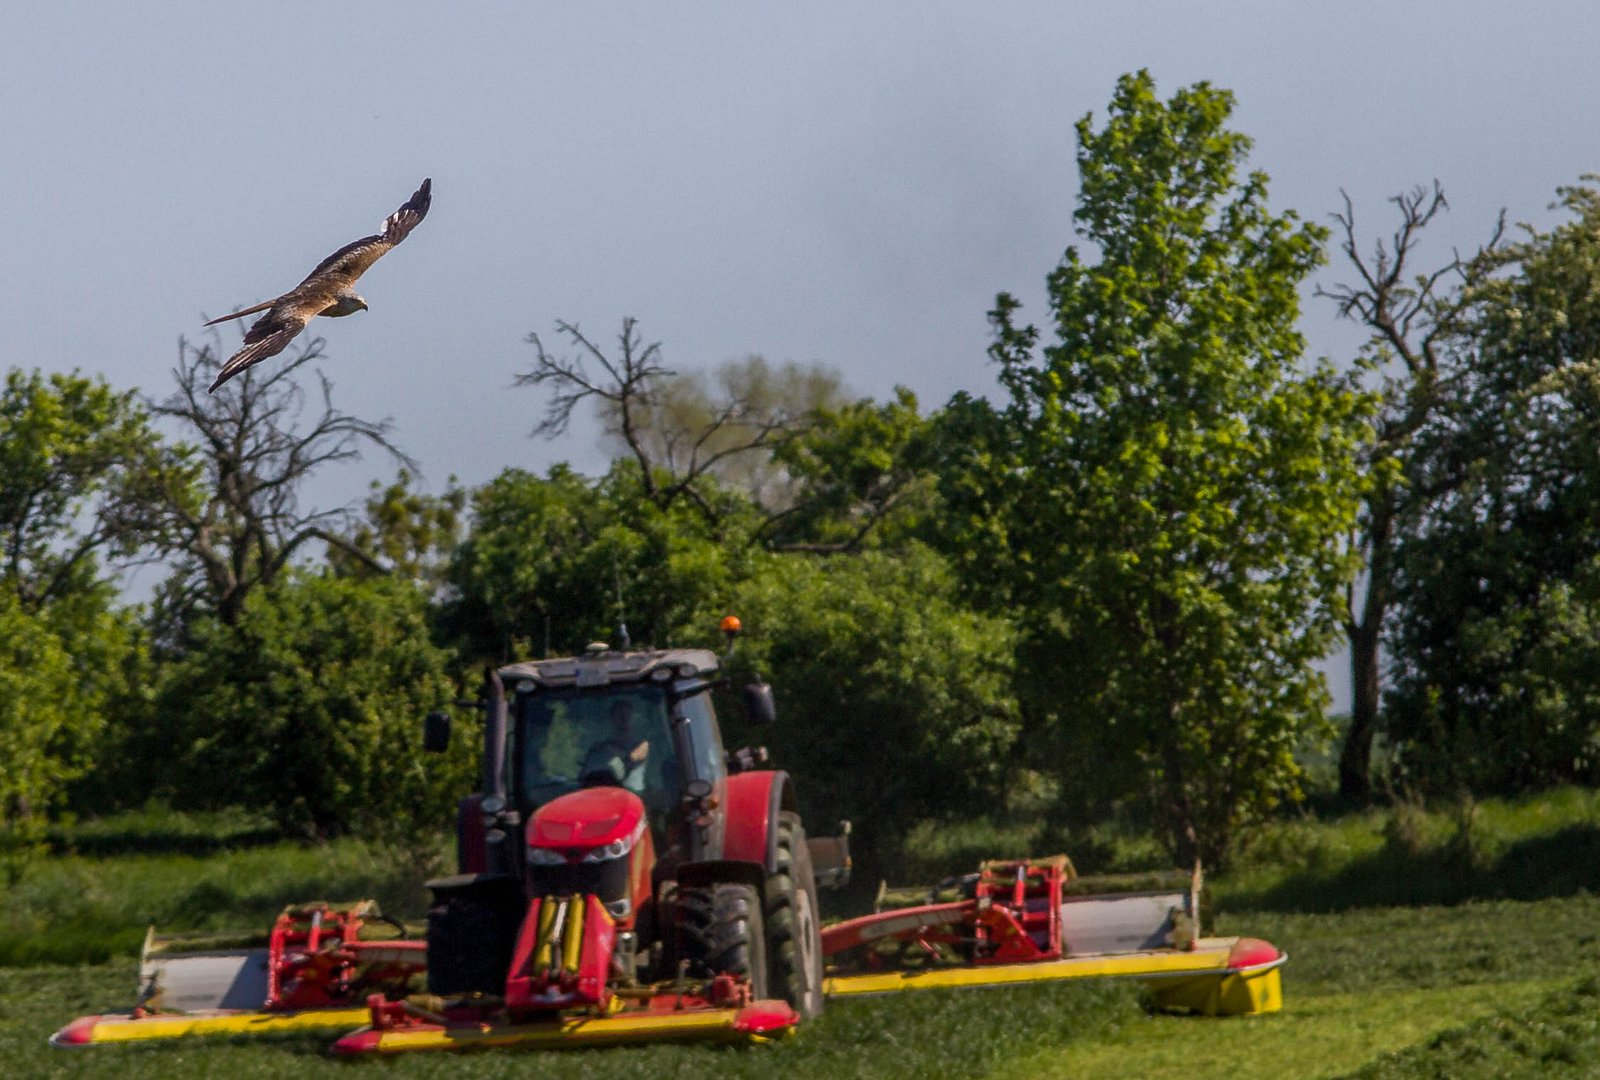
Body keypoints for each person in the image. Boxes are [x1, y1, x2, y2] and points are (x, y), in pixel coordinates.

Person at [581, 698, 649, 793]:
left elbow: (630, 762)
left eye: (627, 715)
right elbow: (585, 778)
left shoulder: (642, 746)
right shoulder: (598, 751)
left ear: (632, 718)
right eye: (620, 715)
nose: (624, 719)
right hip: (603, 797)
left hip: (634, 797)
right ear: (612, 719)